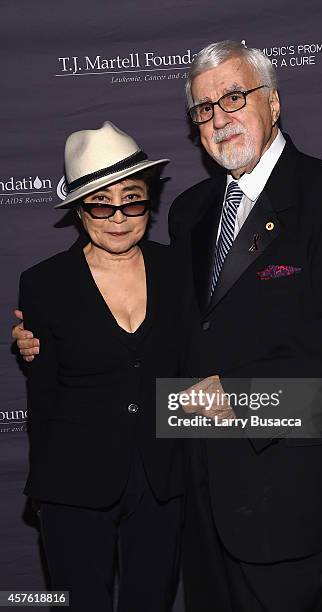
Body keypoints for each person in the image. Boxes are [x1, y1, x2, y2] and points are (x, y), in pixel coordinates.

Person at [15, 41, 322, 612]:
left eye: (234, 97)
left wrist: (240, 393)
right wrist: (43, 338)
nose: (219, 118)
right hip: (198, 493)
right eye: (203, 109)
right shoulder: (192, 210)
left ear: (274, 103)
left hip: (289, 491)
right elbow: (179, 329)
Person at [15, 121, 184, 612]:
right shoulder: (44, 284)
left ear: (149, 200)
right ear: (77, 209)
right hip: (71, 484)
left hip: (162, 480)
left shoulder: (178, 270)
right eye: (99, 203)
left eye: (131, 199)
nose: (118, 217)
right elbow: (42, 396)